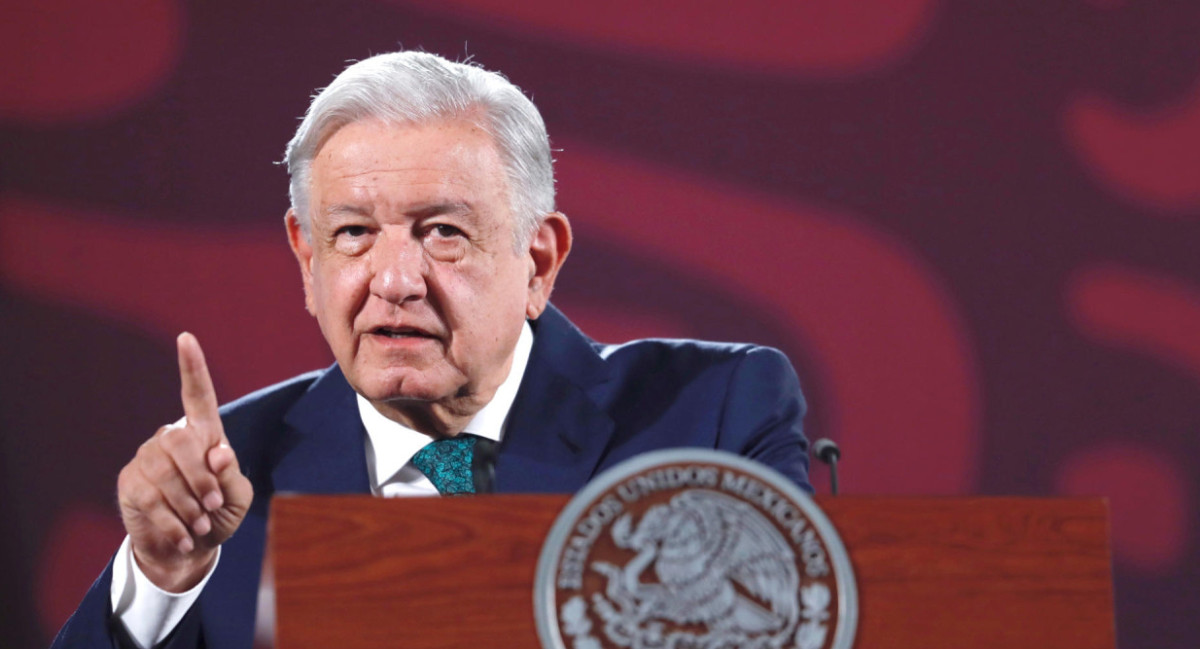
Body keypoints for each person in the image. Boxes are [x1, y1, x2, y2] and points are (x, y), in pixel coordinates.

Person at [52, 51, 811, 649]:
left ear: (539, 262)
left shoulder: (711, 414)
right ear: (307, 260)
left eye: (442, 232)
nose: (394, 280)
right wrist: (158, 576)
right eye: (352, 234)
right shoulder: (229, 476)